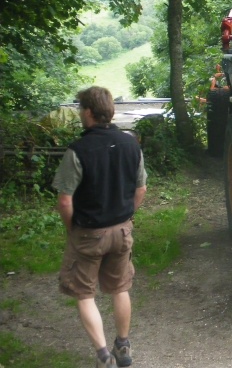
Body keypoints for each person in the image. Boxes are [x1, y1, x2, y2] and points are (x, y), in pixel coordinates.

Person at [53, 87, 147, 367]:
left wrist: (72, 230)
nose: (80, 112)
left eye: (81, 108)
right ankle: (123, 346)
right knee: (120, 288)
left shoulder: (78, 150)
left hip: (89, 233)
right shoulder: (131, 144)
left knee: (84, 293)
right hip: (121, 230)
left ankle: (104, 356)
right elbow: (141, 189)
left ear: (89, 112)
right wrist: (127, 216)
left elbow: (65, 201)